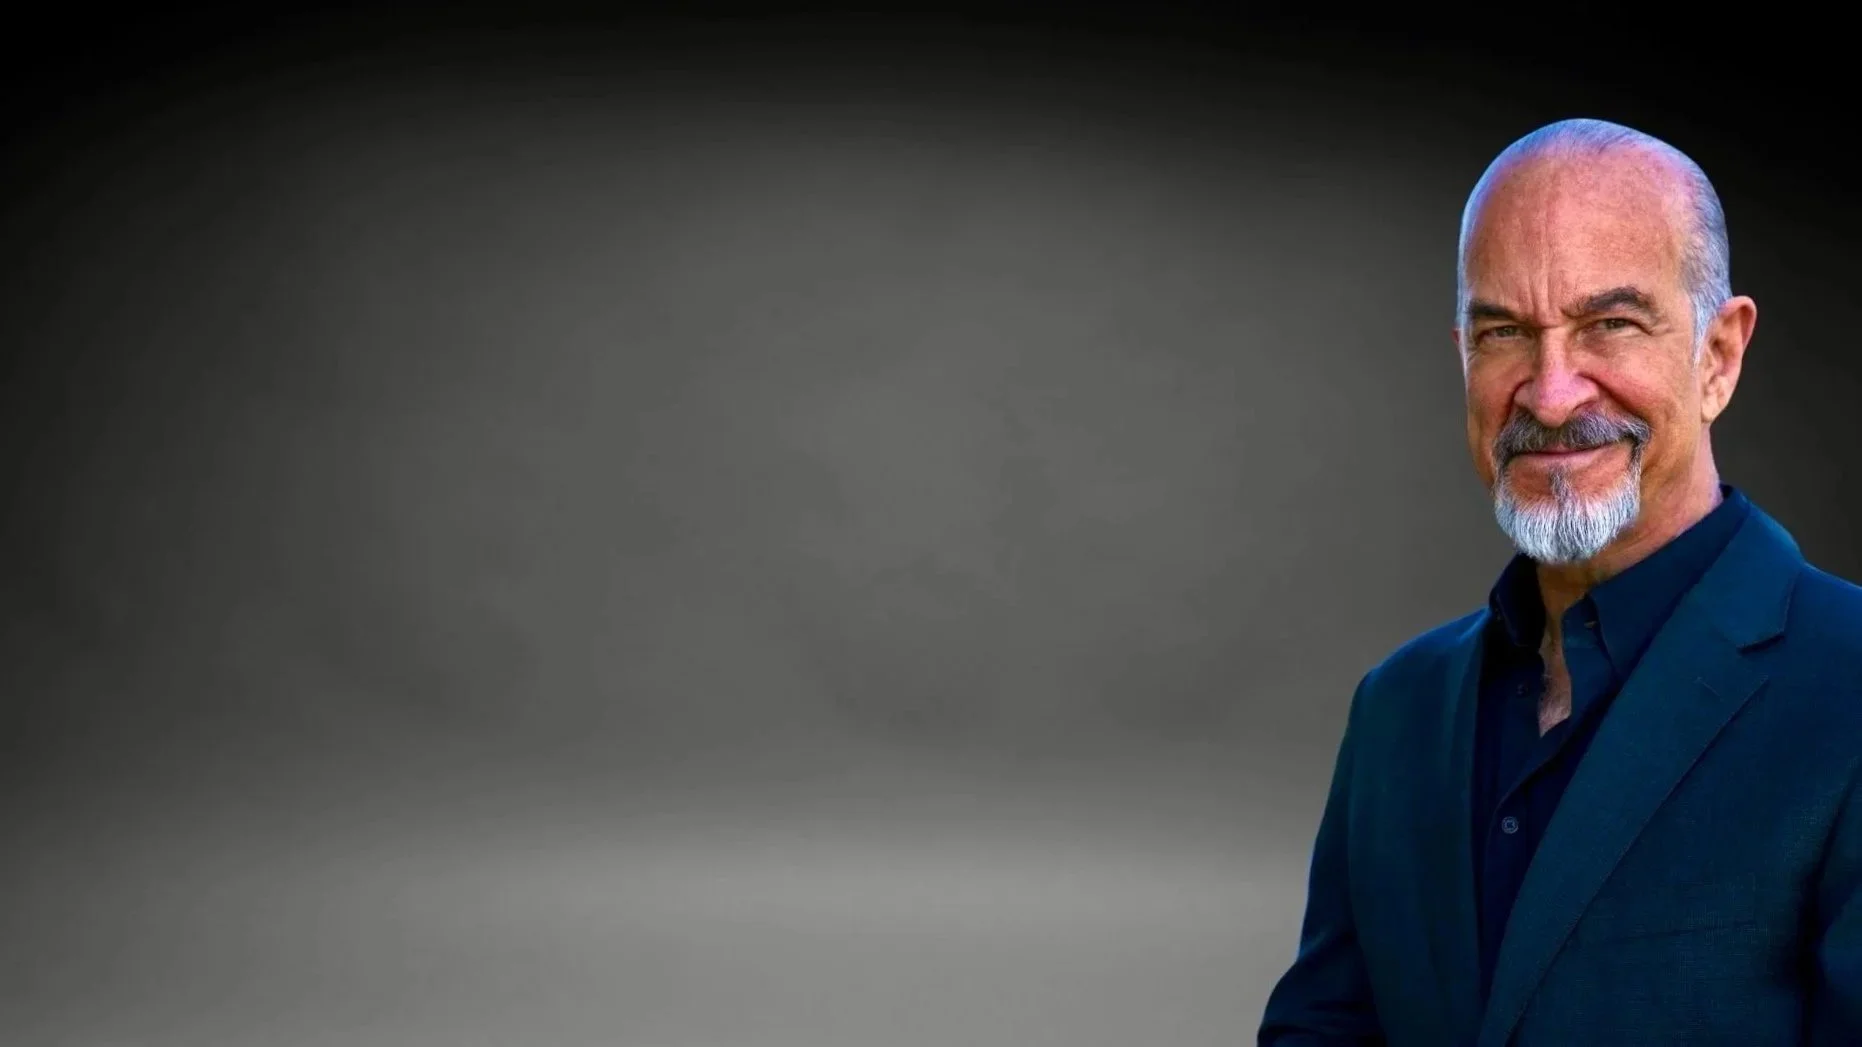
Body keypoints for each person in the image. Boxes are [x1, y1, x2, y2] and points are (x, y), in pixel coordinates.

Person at [1256, 117, 1862, 1046]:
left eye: (1609, 324)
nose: (1550, 393)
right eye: (1504, 332)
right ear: (1464, 355)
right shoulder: (1398, 711)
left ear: (1718, 356)